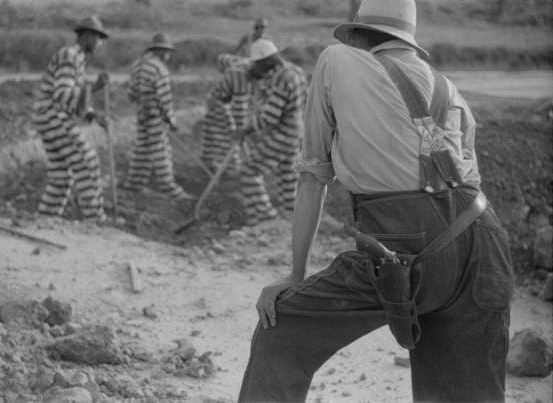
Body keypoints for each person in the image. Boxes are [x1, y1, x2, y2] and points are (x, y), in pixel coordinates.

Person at [238, 0, 514, 402]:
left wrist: (295, 275)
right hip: (485, 242)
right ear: (409, 42)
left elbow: (314, 176)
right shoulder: (449, 89)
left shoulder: (336, 60)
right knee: (461, 393)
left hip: (405, 239)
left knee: (280, 331)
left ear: (357, 36)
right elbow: (461, 178)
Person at [32, 15, 110, 222]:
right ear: (87, 35)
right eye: (98, 38)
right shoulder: (69, 55)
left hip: (49, 116)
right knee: (87, 160)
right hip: (52, 116)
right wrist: (95, 87)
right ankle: (95, 218)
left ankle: (45, 219)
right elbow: (61, 95)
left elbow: (73, 100)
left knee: (62, 174)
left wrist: (94, 116)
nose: (100, 44)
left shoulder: (78, 60)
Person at [234, 39, 307, 226]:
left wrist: (246, 129)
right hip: (297, 131)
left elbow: (271, 116)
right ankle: (291, 217)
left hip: (284, 133)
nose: (257, 68)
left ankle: (267, 219)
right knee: (287, 175)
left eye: (258, 63)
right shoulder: (296, 71)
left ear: (266, 60)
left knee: (249, 171)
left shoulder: (282, 77)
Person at [124, 33, 192, 201]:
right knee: (161, 151)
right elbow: (164, 98)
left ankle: (134, 184)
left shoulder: (137, 65)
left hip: (141, 114)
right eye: (167, 52)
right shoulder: (159, 68)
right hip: (154, 116)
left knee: (142, 149)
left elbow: (131, 92)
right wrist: (171, 120)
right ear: (160, 50)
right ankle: (169, 187)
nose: (168, 56)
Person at [200, 53, 254, 174]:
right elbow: (240, 102)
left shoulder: (236, 72)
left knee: (224, 137)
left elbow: (227, 98)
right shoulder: (240, 73)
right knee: (231, 138)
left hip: (225, 108)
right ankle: (234, 166)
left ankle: (227, 166)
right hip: (229, 108)